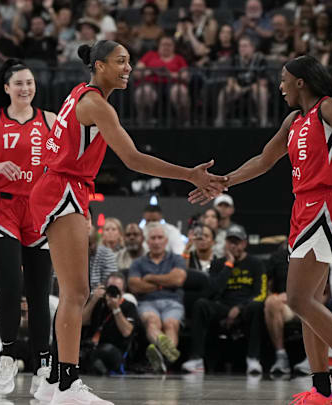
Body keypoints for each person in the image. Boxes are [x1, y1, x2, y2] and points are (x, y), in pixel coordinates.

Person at [27, 40, 223, 405]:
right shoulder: (94, 103)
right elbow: (133, 159)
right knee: (75, 293)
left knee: (72, 292)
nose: (128, 67)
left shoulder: (81, 94)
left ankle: (53, 379)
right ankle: (68, 385)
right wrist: (189, 175)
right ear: (99, 66)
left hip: (60, 186)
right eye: (120, 61)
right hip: (62, 188)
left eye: (129, 61)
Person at [189, 54, 332, 404]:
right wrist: (224, 181)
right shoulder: (294, 120)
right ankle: (322, 390)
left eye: (283, 79)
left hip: (325, 203)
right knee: (310, 303)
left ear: (300, 82)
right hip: (302, 205)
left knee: (297, 299)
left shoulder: (330, 107)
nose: (279, 86)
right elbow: (264, 161)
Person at [0, 59, 55, 397]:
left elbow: (63, 163)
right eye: (19, 83)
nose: (25, 88)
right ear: (6, 87)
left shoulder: (49, 119)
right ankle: (7, 354)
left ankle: (43, 364)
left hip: (38, 210)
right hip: (1, 206)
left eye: (30, 82)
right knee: (11, 283)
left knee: (39, 292)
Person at [181, 225, 270, 375]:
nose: (234, 246)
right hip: (223, 306)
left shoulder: (256, 264)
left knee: (257, 306)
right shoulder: (218, 263)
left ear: (244, 244)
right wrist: (228, 265)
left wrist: (240, 308)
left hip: (245, 307)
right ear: (225, 244)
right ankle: (196, 359)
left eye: (237, 242)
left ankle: (253, 359)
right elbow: (212, 290)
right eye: (230, 242)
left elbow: (261, 293)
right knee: (201, 304)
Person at [128, 223, 187, 374]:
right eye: (153, 238)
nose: (156, 241)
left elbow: (178, 279)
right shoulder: (138, 263)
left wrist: (150, 278)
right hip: (147, 302)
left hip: (172, 302)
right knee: (152, 322)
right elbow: (134, 285)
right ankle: (168, 355)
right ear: (147, 242)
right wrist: (164, 283)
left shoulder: (177, 259)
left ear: (166, 241)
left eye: (160, 237)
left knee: (171, 324)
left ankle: (161, 356)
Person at [81, 272, 138, 375]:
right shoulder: (98, 302)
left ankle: (92, 365)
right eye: (110, 288)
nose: (113, 292)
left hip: (114, 350)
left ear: (123, 291)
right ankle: (92, 365)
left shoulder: (129, 306)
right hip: (91, 346)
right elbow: (82, 322)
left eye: (117, 289)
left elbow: (127, 332)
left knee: (106, 351)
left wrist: (116, 309)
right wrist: (93, 299)